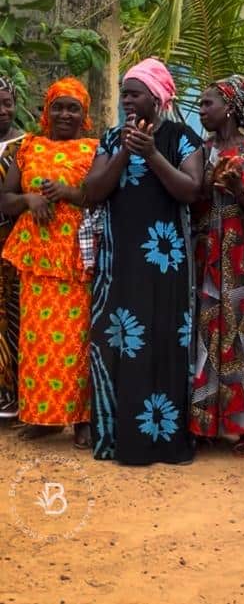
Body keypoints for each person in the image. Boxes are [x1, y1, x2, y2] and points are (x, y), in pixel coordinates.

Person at [85, 58, 201, 465]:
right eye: (125, 94)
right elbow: (92, 192)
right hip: (117, 264)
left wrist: (150, 153)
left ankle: (164, 443)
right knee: (119, 345)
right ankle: (118, 440)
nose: (127, 101)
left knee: (164, 342)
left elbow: (190, 190)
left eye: (134, 93)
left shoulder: (181, 137)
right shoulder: (112, 138)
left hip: (165, 265)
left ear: (157, 96)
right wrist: (123, 153)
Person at [0, 78, 98, 447]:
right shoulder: (28, 147)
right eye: (58, 106)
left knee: (78, 340)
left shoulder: (94, 149)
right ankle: (43, 417)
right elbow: (5, 198)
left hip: (74, 255)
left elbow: (101, 195)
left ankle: (82, 418)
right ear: (46, 110)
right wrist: (29, 200)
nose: (64, 114)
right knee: (36, 341)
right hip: (36, 255)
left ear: (84, 114)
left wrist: (71, 193)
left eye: (73, 108)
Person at [188, 75, 244, 455]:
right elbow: (192, 203)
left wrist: (239, 189)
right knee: (206, 339)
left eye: (209, 103)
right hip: (207, 256)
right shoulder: (200, 150)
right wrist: (207, 185)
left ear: (230, 108)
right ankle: (205, 424)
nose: (202, 110)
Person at [0, 78, 24, 418]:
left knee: (14, 316)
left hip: (13, 245)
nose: (3, 110)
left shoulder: (25, 146)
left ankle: (13, 394)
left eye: (7, 102)